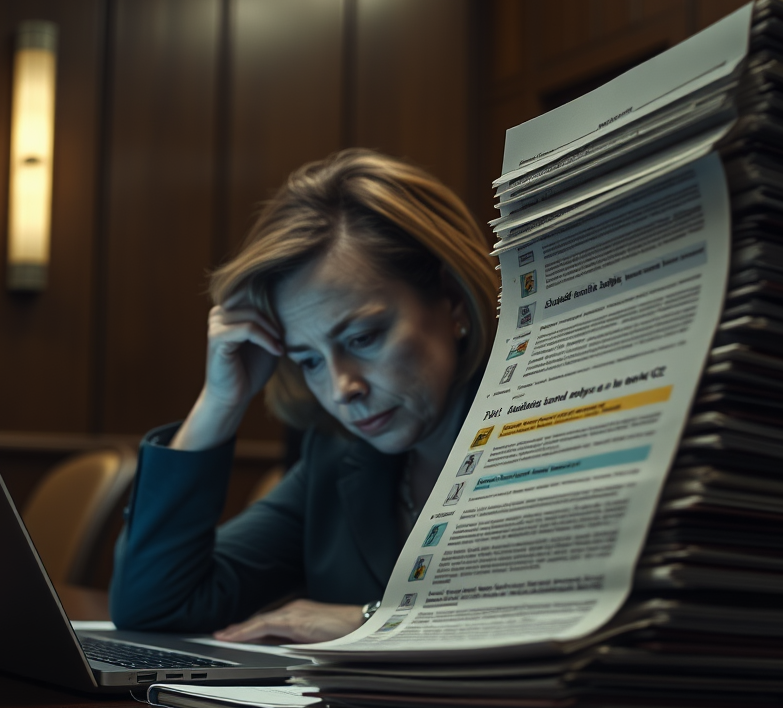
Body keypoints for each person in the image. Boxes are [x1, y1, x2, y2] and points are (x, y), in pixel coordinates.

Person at [109, 149, 498, 644]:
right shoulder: (337, 459)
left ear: (453, 301)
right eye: (308, 359)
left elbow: (577, 615)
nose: (341, 389)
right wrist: (219, 403)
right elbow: (154, 606)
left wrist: (371, 620)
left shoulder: (545, 423)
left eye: (362, 338)